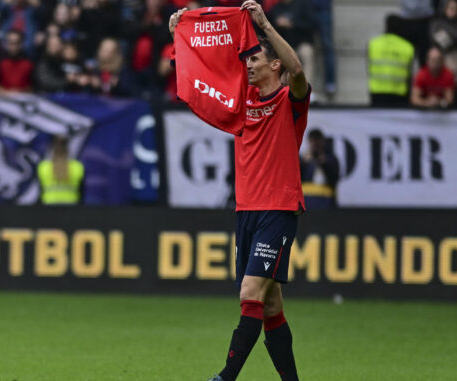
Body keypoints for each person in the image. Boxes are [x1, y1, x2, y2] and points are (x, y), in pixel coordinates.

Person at [170, 1, 310, 380]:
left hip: (278, 209)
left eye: (255, 59)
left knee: (250, 293)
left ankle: (225, 377)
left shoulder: (289, 101)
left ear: (274, 64)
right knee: (269, 306)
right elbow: (203, 73)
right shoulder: (240, 101)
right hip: (246, 210)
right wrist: (179, 38)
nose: (247, 64)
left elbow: (297, 70)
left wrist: (263, 22)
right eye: (246, 59)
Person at [367, 15, 415, 107]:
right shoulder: (407, 47)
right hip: (399, 94)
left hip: (377, 92)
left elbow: (369, 68)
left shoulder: (373, 44)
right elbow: (410, 74)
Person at [37, 136, 84, 205]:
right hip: (71, 206)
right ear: (67, 148)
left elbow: (40, 191)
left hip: (49, 206)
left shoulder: (43, 166)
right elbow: (82, 191)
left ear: (52, 148)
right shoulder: (77, 166)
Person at [429, 0, 457, 82]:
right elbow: (435, 38)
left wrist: (447, 33)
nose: (452, 11)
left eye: (455, 9)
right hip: (440, 53)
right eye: (450, 8)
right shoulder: (437, 22)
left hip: (454, 56)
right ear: (445, 8)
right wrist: (453, 38)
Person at [300, 129, 339, 209]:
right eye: (312, 141)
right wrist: (304, 162)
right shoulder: (303, 159)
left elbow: (334, 179)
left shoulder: (331, 159)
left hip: (326, 203)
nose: (315, 144)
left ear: (323, 142)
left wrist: (324, 163)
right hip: (307, 203)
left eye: (317, 141)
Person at [0, 29, 34, 95]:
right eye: (9, 42)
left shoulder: (29, 62)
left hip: (24, 99)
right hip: (2, 99)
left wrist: (19, 93)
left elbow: (33, 86)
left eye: (15, 43)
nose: (12, 46)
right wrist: (5, 93)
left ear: (21, 44)